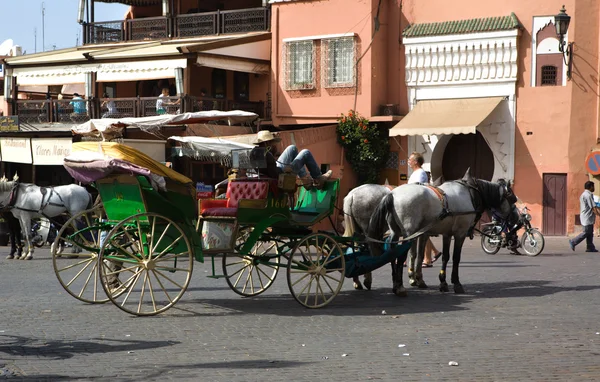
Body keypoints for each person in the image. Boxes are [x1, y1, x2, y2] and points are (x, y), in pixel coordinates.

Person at [252, 130, 332, 189]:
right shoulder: (266, 154)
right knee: (305, 152)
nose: (273, 144)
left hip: (277, 170)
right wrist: (286, 170)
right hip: (281, 176)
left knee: (292, 148)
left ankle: (305, 179)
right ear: (267, 143)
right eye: (271, 142)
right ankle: (318, 178)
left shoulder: (255, 152)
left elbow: (268, 169)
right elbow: (273, 174)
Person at [407, 152, 442, 267]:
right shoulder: (416, 173)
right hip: (414, 206)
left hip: (419, 207)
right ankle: (433, 253)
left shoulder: (420, 174)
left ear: (415, 162)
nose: (408, 161)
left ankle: (428, 257)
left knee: (421, 233)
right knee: (420, 233)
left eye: (410, 159)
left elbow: (418, 190)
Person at [569, 181, 600, 252]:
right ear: (590, 187)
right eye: (593, 186)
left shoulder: (585, 194)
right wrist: (598, 214)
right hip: (587, 217)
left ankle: (590, 247)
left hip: (587, 216)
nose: (594, 188)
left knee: (590, 232)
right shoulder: (588, 195)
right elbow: (593, 207)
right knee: (586, 232)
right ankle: (573, 242)